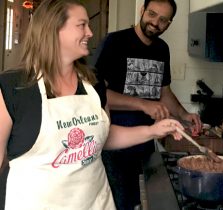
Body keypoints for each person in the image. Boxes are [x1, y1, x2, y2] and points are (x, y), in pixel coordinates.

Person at [0, 0, 184, 210]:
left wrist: (152, 130)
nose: (89, 32)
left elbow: (104, 135)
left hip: (96, 203)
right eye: (81, 25)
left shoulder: (92, 83)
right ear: (53, 29)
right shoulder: (12, 88)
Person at [93, 0, 202, 209]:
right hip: (114, 141)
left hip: (147, 141)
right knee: (119, 203)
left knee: (142, 201)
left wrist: (183, 114)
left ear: (169, 23)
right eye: (152, 14)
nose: (155, 22)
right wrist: (143, 104)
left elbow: (164, 92)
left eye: (163, 20)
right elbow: (97, 94)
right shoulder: (114, 42)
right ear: (142, 11)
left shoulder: (162, 49)